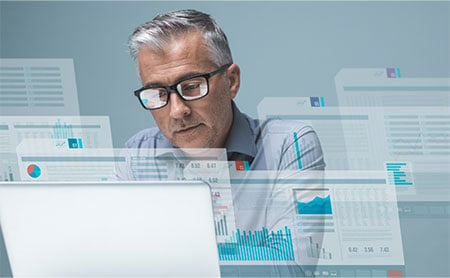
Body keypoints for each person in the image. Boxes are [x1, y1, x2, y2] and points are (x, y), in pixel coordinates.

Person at [126, 9, 325, 172]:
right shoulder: (139, 153)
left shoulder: (289, 146)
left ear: (231, 81)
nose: (177, 111)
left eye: (192, 86)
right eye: (159, 94)